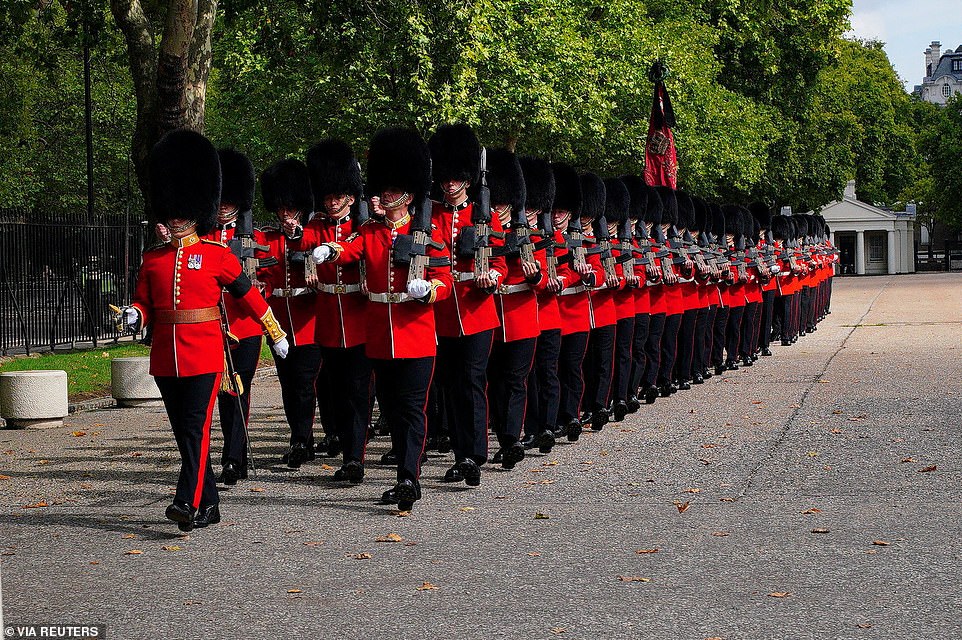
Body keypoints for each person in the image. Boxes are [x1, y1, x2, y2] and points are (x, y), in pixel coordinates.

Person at [116, 129, 288, 532]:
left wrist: (274, 331)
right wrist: (134, 315)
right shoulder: (153, 259)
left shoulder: (215, 256)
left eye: (182, 211)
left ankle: (184, 503)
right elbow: (145, 302)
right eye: (171, 211)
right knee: (185, 436)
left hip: (206, 357)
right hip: (165, 360)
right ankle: (209, 505)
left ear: (196, 210)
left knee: (195, 431)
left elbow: (248, 295)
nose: (175, 218)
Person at [312, 126, 453, 512]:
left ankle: (409, 478)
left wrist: (431, 291)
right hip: (380, 337)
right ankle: (404, 474)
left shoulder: (428, 232)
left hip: (416, 333)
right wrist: (329, 250)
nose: (385, 195)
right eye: (384, 189)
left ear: (408, 194)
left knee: (411, 409)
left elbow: (445, 279)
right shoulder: (371, 231)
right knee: (390, 409)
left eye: (392, 191)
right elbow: (351, 249)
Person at [428, 124, 507, 487]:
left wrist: (492, 275)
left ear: (468, 178)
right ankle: (461, 454)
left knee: (472, 381)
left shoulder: (484, 216)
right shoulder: (430, 217)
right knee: (449, 385)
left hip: (477, 312)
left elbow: (501, 264)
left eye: (456, 177)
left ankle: (474, 453)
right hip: (443, 314)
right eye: (445, 177)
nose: (449, 184)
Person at [305, 139, 373, 483]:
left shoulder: (363, 226)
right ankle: (344, 445)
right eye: (327, 197)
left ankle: (355, 457)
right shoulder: (316, 225)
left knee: (358, 391)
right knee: (334, 391)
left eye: (337, 197)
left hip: (359, 319)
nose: (331, 203)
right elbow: (302, 243)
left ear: (349, 196)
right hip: (330, 320)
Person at [201, 147, 263, 485]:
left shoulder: (257, 237)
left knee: (239, 389)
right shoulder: (203, 236)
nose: (224, 205)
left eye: (230, 199)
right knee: (218, 392)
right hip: (213, 325)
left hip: (246, 324)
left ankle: (233, 458)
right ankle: (215, 457)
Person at [256, 159, 322, 469]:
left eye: (289, 206)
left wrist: (299, 236)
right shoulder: (267, 238)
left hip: (309, 319)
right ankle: (299, 438)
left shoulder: (312, 233)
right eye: (280, 207)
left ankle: (302, 439)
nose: (284, 213)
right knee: (287, 382)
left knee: (304, 383)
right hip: (279, 319)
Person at [484, 148, 545, 469]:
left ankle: (511, 439)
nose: (498, 209)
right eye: (494, 203)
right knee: (493, 382)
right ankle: (501, 432)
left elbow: (542, 277)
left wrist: (534, 274)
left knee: (515, 380)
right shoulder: (484, 233)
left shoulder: (529, 236)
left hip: (520, 318)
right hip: (491, 317)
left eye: (503, 203)